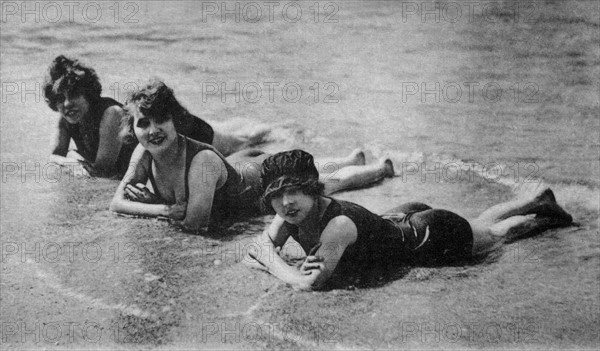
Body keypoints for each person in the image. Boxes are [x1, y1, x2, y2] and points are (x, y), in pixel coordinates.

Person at [244, 150, 574, 290]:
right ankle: (536, 200)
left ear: (313, 190)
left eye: (295, 191)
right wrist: (274, 260)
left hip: (431, 235)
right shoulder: (289, 213)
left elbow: (308, 284)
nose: (285, 202)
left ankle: (539, 216)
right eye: (276, 195)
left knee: (496, 235)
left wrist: (273, 262)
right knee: (481, 224)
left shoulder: (337, 226)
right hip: (398, 221)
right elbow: (253, 253)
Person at [109, 87, 395, 232]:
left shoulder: (201, 162)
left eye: (161, 120)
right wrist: (160, 209)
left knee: (326, 186)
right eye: (143, 123)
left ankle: (379, 168)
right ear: (132, 128)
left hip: (258, 178)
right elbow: (117, 202)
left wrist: (148, 205)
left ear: (177, 121)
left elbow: (195, 224)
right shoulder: (143, 152)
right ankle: (349, 157)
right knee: (311, 170)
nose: (153, 130)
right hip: (237, 164)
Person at [43, 55, 267, 177]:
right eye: (59, 98)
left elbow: (102, 170)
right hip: (158, 142)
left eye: (73, 95)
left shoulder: (109, 114)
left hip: (183, 132)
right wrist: (72, 161)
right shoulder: (66, 118)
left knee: (241, 143)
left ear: (88, 93)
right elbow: (54, 156)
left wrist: (72, 159)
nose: (66, 103)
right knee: (237, 139)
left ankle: (283, 131)